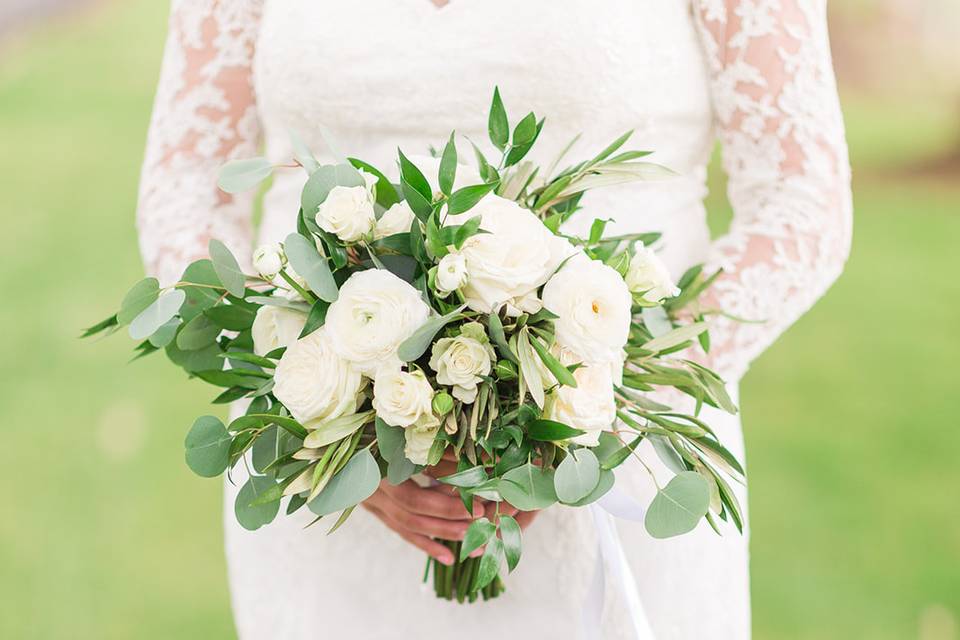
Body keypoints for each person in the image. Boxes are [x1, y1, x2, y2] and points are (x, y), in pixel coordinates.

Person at [136, 1, 852, 637]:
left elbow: (800, 201)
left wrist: (583, 402)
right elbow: (185, 188)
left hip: (613, 475)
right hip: (332, 498)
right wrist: (333, 426)